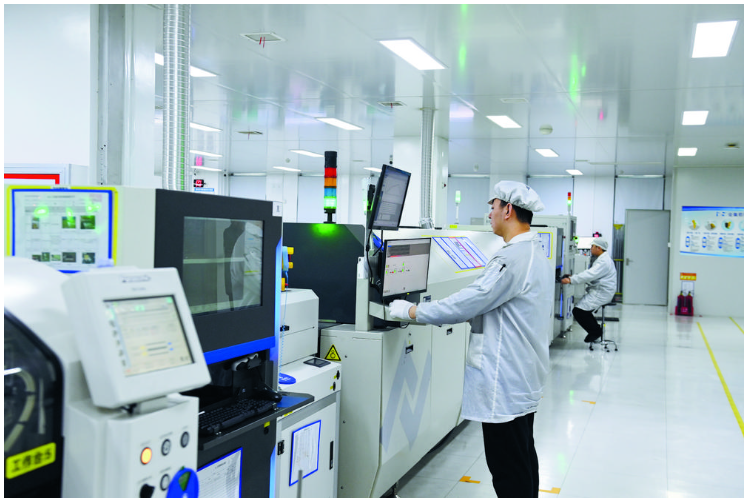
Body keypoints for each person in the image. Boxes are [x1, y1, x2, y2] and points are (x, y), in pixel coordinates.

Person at [388, 181, 554, 498]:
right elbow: (495, 307)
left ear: (508, 209)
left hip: (504, 381)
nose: (489, 213)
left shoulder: (512, 259)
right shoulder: (533, 252)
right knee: (523, 459)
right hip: (522, 376)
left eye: (492, 206)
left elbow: (470, 301)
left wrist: (412, 311)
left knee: (508, 468)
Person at [560, 237, 617, 343]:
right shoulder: (602, 259)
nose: (591, 248)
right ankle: (595, 330)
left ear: (599, 248)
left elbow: (590, 275)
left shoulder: (603, 262)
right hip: (600, 290)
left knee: (579, 311)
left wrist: (571, 280)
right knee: (581, 310)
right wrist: (573, 277)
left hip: (601, 293)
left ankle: (596, 332)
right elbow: (590, 274)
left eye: (592, 246)